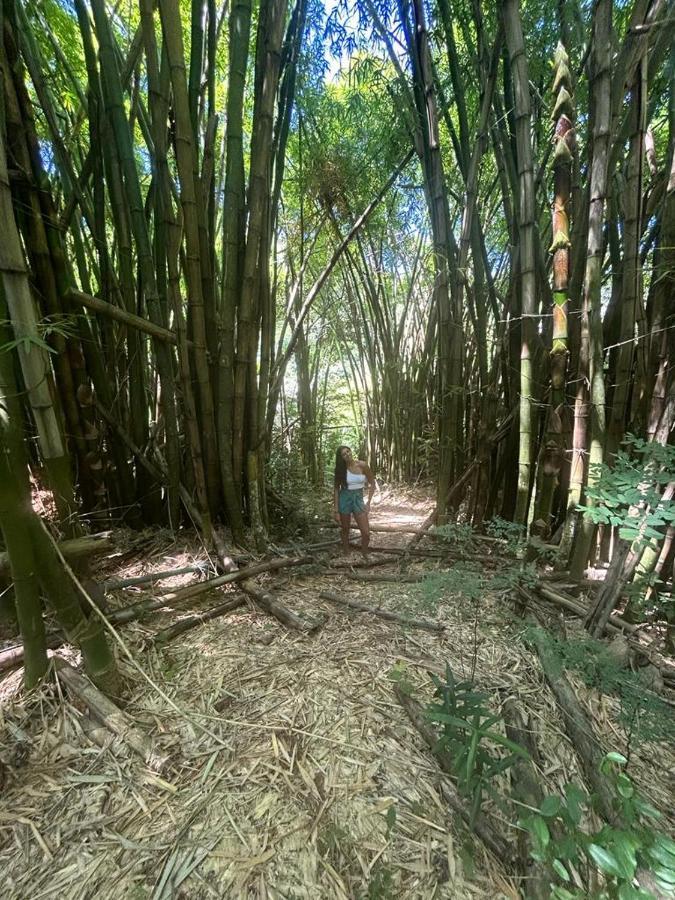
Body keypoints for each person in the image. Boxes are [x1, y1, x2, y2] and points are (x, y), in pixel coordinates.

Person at [333, 445, 375, 556]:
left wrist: (369, 502)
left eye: (348, 451)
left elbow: (373, 483)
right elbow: (336, 489)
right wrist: (336, 510)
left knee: (366, 533)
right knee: (345, 529)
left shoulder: (362, 465)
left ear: (351, 451)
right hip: (344, 499)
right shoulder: (340, 470)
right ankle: (346, 552)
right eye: (344, 454)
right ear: (341, 457)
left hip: (358, 499)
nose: (347, 454)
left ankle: (364, 553)